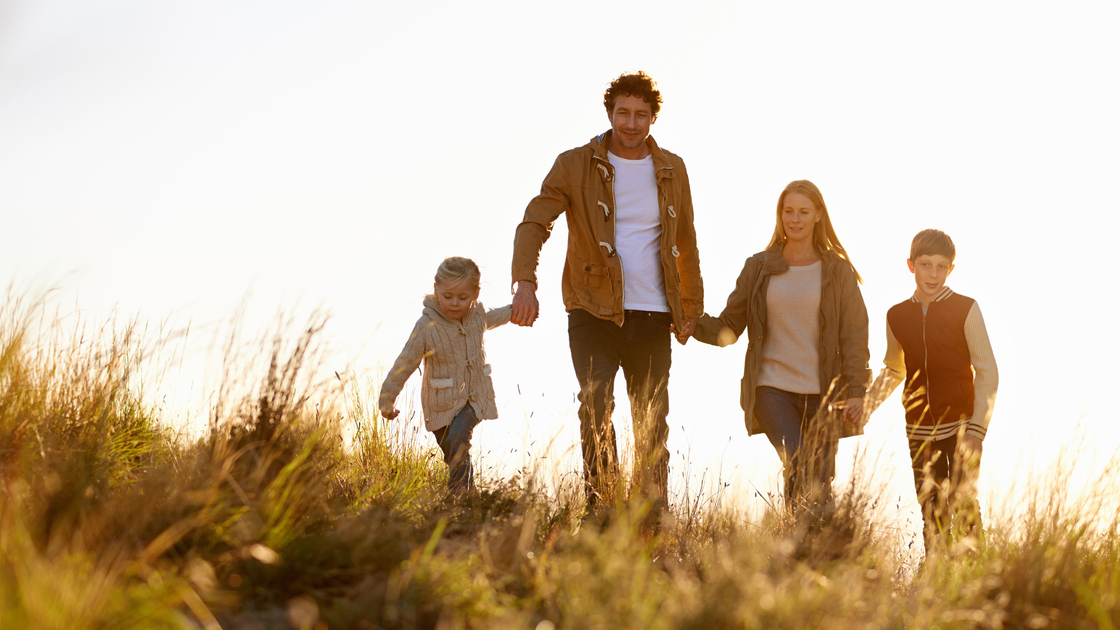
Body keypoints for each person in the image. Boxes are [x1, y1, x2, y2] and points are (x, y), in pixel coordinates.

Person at [510, 71, 704, 507]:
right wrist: (525, 282)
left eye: (640, 114)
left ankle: (652, 518)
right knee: (596, 406)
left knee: (651, 421)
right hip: (592, 309)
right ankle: (600, 511)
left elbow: (685, 241)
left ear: (653, 117)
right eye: (623, 113)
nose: (631, 124)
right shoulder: (574, 164)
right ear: (610, 113)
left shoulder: (673, 168)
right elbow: (535, 222)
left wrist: (690, 305)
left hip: (654, 313)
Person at [693, 180, 870, 508]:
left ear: (818, 214)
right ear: (780, 215)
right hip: (772, 388)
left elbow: (855, 335)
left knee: (818, 478)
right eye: (788, 211)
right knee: (800, 460)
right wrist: (692, 324)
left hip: (825, 393)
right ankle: (803, 541)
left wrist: (857, 390)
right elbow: (730, 325)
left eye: (803, 211)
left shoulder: (838, 271)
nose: (795, 219)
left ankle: (804, 548)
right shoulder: (759, 267)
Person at [864, 229, 998, 550]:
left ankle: (978, 575)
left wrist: (977, 431)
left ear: (951, 269)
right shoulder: (896, 316)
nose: (933, 274)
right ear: (911, 265)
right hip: (918, 430)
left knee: (964, 506)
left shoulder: (966, 309)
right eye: (926, 265)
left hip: (964, 427)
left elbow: (988, 370)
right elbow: (895, 369)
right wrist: (866, 406)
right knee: (931, 513)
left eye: (941, 266)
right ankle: (935, 576)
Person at [379, 257, 512, 493]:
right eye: (447, 296)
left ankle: (454, 501)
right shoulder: (427, 326)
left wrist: (517, 311)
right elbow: (405, 361)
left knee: (459, 440)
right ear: (436, 289)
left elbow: (495, 316)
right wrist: (387, 398)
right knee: (454, 455)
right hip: (440, 404)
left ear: (475, 294)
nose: (454, 303)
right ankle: (471, 503)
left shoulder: (477, 315)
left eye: (463, 298)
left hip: (473, 397)